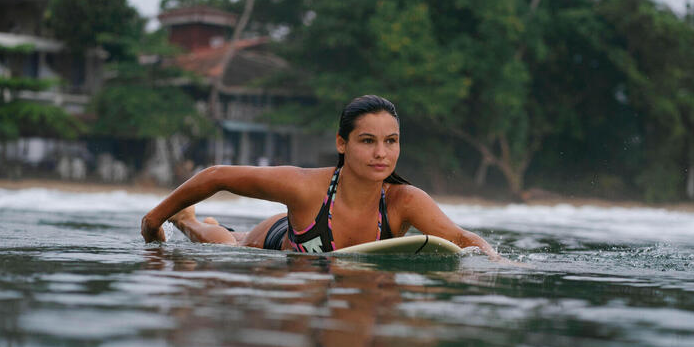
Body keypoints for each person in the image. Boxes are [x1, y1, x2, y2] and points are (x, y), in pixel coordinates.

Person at [140, 94, 501, 259]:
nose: (381, 153)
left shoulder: (404, 201)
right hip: (286, 236)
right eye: (367, 141)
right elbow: (216, 176)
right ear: (342, 144)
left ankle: (190, 221)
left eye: (391, 141)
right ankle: (188, 222)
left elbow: (460, 239)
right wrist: (153, 220)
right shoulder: (304, 186)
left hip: (338, 268)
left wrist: (497, 262)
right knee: (228, 243)